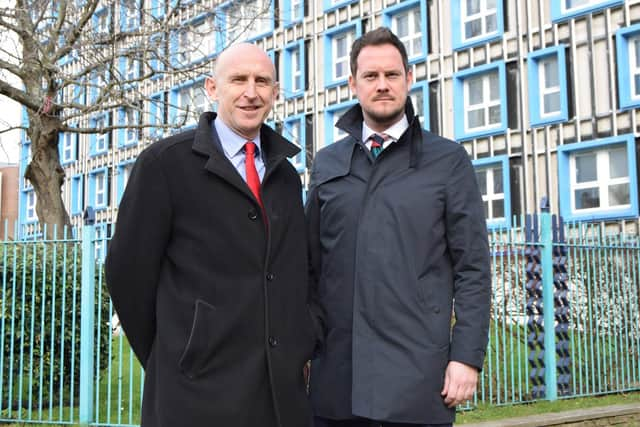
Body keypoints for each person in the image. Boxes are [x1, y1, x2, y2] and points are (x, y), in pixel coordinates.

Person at [105, 43, 315, 427]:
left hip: (279, 397)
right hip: (194, 396)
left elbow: (293, 271)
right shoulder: (164, 165)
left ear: (275, 93)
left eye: (262, 82)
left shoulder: (284, 174)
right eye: (238, 79)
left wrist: (302, 341)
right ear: (212, 88)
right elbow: (127, 274)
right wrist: (177, 353)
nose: (251, 92)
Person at [305, 28, 492, 427]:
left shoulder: (448, 162)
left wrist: (466, 357)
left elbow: (473, 268)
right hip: (337, 379)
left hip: (418, 381)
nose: (382, 85)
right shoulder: (327, 164)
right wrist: (303, 348)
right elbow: (308, 267)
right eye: (370, 76)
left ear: (409, 77)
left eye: (391, 75)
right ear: (353, 84)